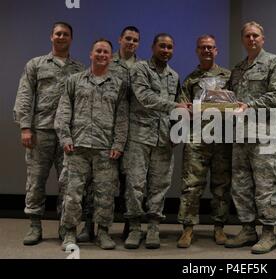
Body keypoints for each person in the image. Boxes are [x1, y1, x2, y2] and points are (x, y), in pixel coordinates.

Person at [13, 22, 84, 245]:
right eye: (58, 34)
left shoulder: (79, 69)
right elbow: (25, 96)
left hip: (67, 135)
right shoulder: (36, 64)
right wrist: (25, 127)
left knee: (68, 183)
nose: (61, 37)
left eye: (66, 34)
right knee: (36, 181)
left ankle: (65, 227)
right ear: (51, 37)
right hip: (40, 131)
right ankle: (35, 226)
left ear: (71, 39)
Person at [56, 39, 129, 250]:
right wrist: (66, 138)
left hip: (105, 148)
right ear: (91, 54)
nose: (102, 55)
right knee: (72, 193)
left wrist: (118, 143)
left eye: (106, 52)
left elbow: (122, 118)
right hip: (77, 147)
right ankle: (69, 232)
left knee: (105, 194)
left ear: (111, 56)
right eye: (98, 51)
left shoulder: (118, 84)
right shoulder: (74, 80)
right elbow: (63, 111)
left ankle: (103, 232)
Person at [224, 21, 276, 254]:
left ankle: (268, 233)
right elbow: (231, 100)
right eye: (248, 36)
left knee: (265, 185)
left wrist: (248, 105)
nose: (251, 39)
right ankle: (248, 229)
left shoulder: (274, 62)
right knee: (241, 185)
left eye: (256, 36)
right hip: (241, 135)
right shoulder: (239, 68)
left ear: (263, 39)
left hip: (265, 134)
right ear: (243, 40)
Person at [76, 26, 141, 243]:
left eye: (135, 40)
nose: (131, 43)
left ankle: (126, 226)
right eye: (128, 39)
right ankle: (88, 225)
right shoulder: (105, 59)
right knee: (94, 182)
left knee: (127, 181)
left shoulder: (143, 67)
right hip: (103, 129)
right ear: (120, 39)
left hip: (134, 130)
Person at [123, 33, 189, 249]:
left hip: (163, 138)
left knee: (159, 185)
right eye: (162, 46)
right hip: (139, 137)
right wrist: (174, 107)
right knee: (135, 184)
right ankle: (134, 228)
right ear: (153, 47)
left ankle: (153, 227)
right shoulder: (139, 69)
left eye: (170, 47)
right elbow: (144, 97)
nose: (166, 50)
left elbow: (179, 107)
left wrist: (177, 132)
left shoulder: (174, 75)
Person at [176, 35, 232, 248]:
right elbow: (183, 107)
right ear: (197, 51)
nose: (207, 51)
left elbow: (235, 103)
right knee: (191, 185)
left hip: (222, 136)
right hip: (197, 138)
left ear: (216, 50)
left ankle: (219, 227)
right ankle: (187, 228)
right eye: (203, 48)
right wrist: (192, 108)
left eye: (210, 47)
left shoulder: (228, 76)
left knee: (221, 185)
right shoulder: (191, 79)